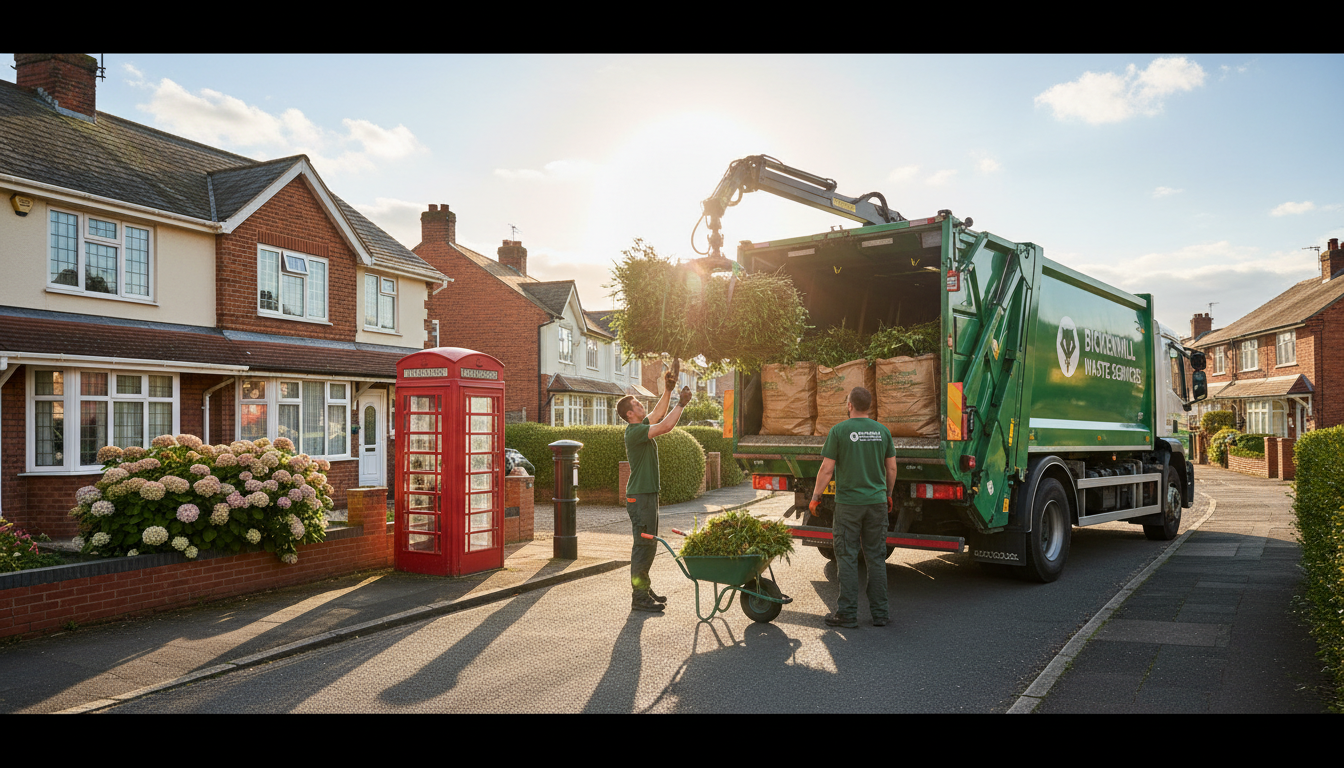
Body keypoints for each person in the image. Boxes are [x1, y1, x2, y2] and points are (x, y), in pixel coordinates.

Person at [810, 386, 897, 628]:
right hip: (877, 503)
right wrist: (888, 494)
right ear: (869, 406)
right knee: (876, 558)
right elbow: (891, 469)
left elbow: (827, 469)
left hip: (848, 505)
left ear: (850, 405)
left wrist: (816, 496)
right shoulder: (883, 432)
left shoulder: (839, 431)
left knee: (847, 557)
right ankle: (880, 614)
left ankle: (847, 614)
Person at [618, 371, 693, 613]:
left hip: (646, 495)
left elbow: (659, 414)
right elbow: (666, 425)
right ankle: (639, 597)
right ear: (630, 414)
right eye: (638, 404)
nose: (642, 406)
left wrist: (669, 391)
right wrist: (681, 404)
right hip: (640, 498)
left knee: (649, 546)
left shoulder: (640, 426)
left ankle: (644, 589)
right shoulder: (635, 432)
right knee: (643, 546)